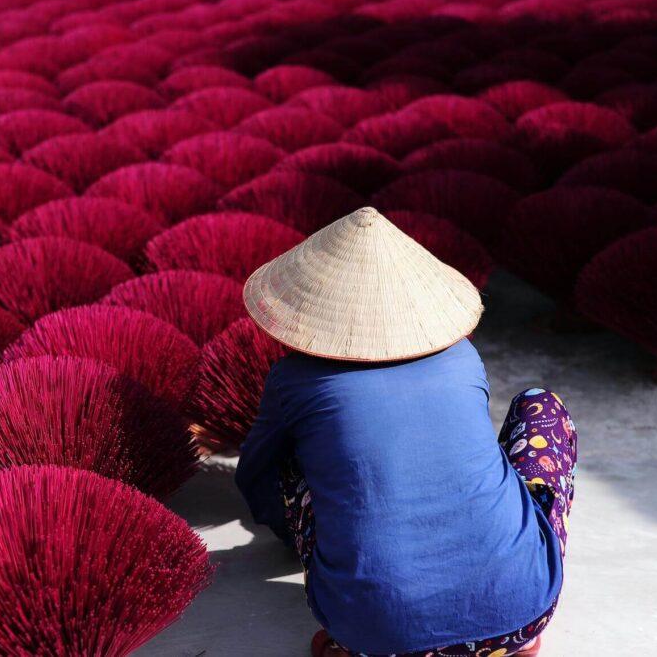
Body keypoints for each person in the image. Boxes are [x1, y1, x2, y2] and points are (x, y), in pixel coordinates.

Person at [235, 207, 577, 657]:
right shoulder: (463, 358)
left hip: (374, 636)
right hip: (523, 612)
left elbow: (257, 471)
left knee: (295, 453)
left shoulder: (294, 380)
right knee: (541, 405)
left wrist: (289, 535)